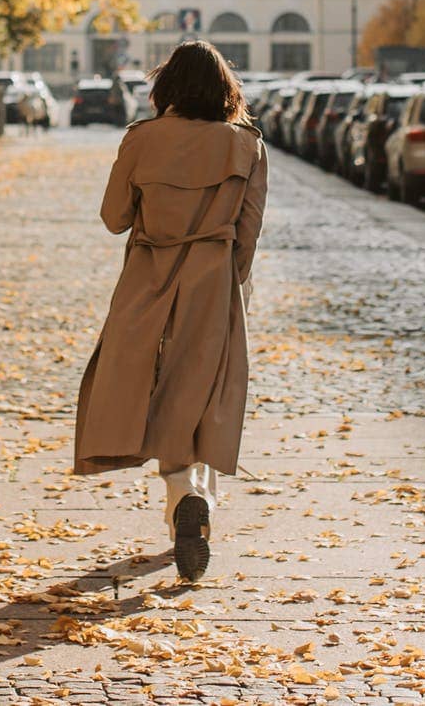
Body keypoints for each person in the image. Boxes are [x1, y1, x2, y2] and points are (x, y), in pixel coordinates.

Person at [73, 39, 267, 582]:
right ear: (226, 90)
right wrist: (231, 282)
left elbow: (114, 217)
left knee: (148, 388)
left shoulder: (142, 139)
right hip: (214, 278)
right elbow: (249, 232)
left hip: (148, 277)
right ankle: (191, 495)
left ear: (165, 89)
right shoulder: (246, 145)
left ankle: (184, 496)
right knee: (201, 391)